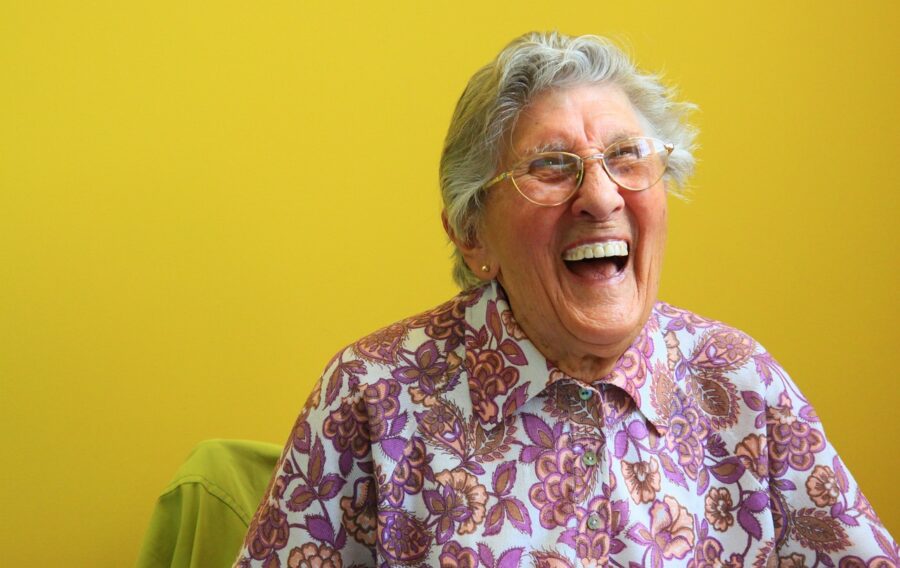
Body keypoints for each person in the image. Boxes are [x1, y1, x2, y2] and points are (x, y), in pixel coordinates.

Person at [234, 32, 896, 567]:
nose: (602, 197)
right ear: (471, 234)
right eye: (550, 166)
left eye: (627, 157)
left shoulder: (739, 382)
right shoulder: (374, 397)